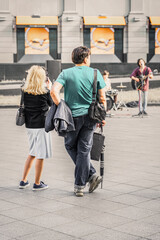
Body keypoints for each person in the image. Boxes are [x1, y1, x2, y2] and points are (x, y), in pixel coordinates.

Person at [50, 46, 106, 197]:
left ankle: (87, 179)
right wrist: (102, 117)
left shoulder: (66, 73)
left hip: (71, 117)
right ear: (86, 58)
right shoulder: (95, 73)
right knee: (84, 149)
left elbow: (53, 91)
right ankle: (84, 182)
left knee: (70, 145)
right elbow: (102, 98)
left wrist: (60, 105)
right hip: (91, 117)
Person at [19, 65, 53, 191]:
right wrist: (49, 88)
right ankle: (37, 183)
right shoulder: (44, 91)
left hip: (29, 125)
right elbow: (52, 103)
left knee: (32, 152)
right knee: (40, 154)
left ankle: (23, 180)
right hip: (42, 125)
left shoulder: (24, 90)